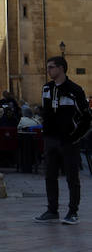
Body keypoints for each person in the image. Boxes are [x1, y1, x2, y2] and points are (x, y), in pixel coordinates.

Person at [36, 54, 91, 225]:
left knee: (72, 178)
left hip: (68, 141)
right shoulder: (46, 88)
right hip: (50, 139)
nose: (48, 70)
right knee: (50, 176)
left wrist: (74, 137)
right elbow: (46, 112)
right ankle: (52, 210)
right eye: (48, 67)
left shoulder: (75, 91)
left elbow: (86, 119)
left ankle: (73, 212)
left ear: (61, 68)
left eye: (51, 67)